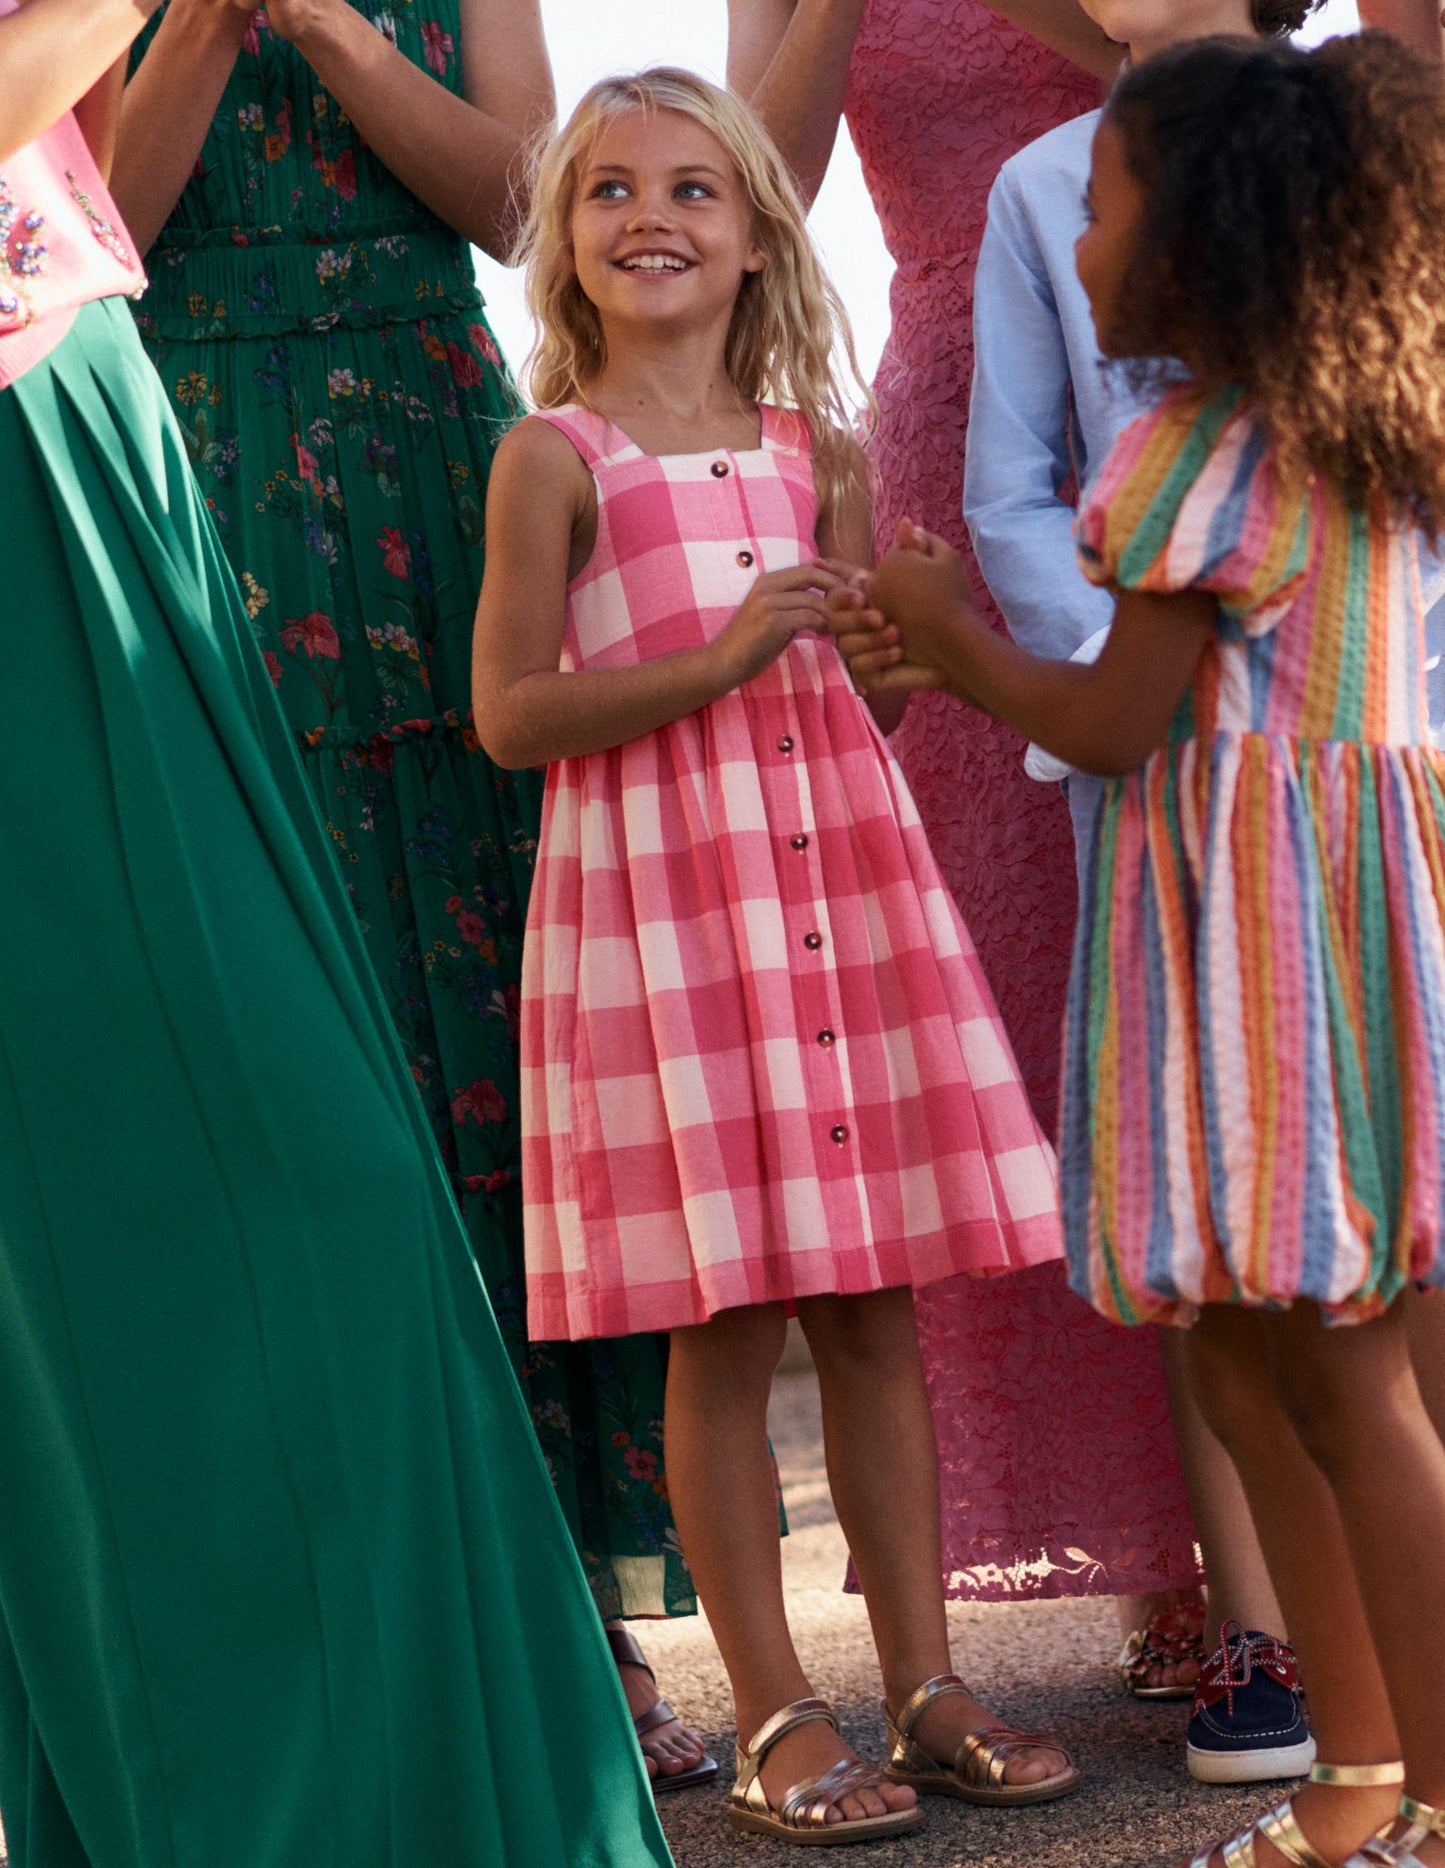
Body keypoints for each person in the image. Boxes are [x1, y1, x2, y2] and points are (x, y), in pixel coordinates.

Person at [0, 2, 677, 1863]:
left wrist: (329, 34)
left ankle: (537, 1645)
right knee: (262, 1110)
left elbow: (517, 192)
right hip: (176, 434)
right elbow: (98, 183)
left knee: (449, 1089)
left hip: (349, 453)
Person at [831, 31, 1445, 1868]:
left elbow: (1109, 725)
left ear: (1202, 230)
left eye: (1098, 207)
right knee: (1266, 1378)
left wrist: (943, 633)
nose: (1075, 241)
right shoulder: (1347, 412)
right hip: (1314, 919)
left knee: (1333, 1378)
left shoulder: (1198, 445)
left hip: (1259, 936)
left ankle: (1429, 1787)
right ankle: (1354, 1775)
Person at [472, 65, 1080, 1846]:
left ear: (754, 240)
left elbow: (852, 715)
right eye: (606, 190)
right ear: (566, 245)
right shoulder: (550, 459)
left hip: (834, 910)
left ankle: (926, 1678)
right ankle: (775, 1715)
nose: (647, 214)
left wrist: (886, 657)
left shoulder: (819, 445)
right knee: (723, 1323)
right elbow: (511, 713)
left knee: (874, 1306)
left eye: (690, 189)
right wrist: (733, 654)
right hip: (666, 926)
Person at [728, 0, 1209, 1687]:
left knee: (1189, 997)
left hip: (1170, 350)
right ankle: (1166, 1551)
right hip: (962, 410)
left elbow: (1207, 60)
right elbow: (755, 183)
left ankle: (1269, 1553)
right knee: (1026, 1007)